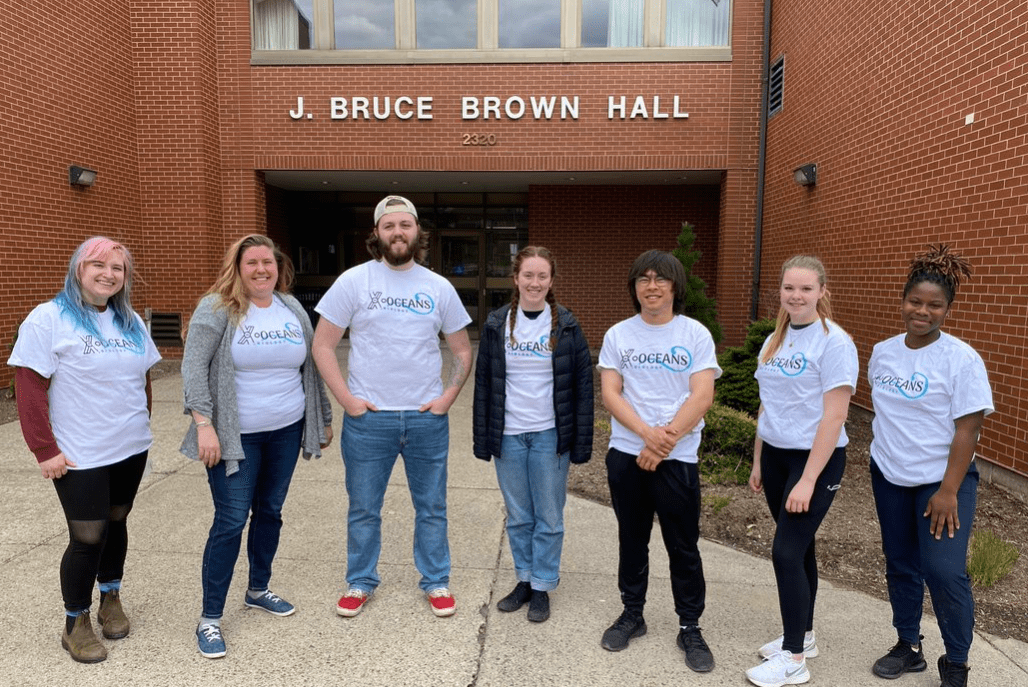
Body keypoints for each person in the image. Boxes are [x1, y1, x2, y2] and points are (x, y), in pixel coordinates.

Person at [312, 195, 473, 619]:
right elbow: (323, 345)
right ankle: (360, 580)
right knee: (364, 508)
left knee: (432, 507)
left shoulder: (438, 287)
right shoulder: (353, 281)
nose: (397, 232)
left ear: (417, 232)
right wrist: (348, 401)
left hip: (425, 420)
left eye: (405, 225)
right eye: (389, 225)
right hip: (370, 421)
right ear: (377, 233)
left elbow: (461, 351)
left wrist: (447, 399)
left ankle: (436, 581)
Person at [8, 237, 161, 663]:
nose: (109, 274)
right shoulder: (49, 318)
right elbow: (29, 387)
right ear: (79, 268)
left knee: (117, 519)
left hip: (130, 446)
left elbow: (142, 379)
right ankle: (75, 621)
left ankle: (111, 596)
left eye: (118, 268)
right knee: (87, 536)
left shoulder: (129, 319)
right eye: (99, 265)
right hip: (79, 452)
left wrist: (143, 423)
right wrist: (44, 449)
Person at [181, 234, 333, 659]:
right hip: (235, 435)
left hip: (286, 430)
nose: (261, 269)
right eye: (252, 263)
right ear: (238, 267)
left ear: (278, 266)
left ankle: (258, 588)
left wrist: (322, 417)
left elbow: (311, 367)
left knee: (270, 512)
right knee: (230, 520)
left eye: (268, 262)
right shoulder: (217, 308)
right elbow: (193, 369)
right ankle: (210, 618)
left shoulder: (291, 307)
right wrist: (204, 425)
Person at [867, 245, 992, 687]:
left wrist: (948, 490)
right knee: (900, 563)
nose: (923, 311)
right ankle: (909, 644)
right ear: (903, 302)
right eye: (915, 302)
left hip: (942, 482)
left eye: (934, 305)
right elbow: (886, 414)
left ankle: (956, 661)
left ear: (946, 310)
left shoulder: (961, 360)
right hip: (889, 475)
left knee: (944, 570)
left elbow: (967, 431)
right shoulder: (882, 353)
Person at [597, 249, 721, 673]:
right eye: (643, 278)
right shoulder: (619, 335)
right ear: (635, 287)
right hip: (627, 455)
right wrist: (647, 435)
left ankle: (690, 626)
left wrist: (663, 441)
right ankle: (633, 614)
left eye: (660, 278)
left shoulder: (694, 334)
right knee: (632, 540)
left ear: (675, 286)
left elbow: (702, 396)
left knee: (683, 546)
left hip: (678, 458)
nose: (651, 286)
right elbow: (611, 393)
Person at [745, 255, 858, 687]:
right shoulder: (774, 340)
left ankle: (793, 660)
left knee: (786, 552)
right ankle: (804, 636)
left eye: (806, 289)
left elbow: (834, 417)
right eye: (790, 288)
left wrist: (808, 479)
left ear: (822, 291)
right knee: (801, 547)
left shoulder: (834, 343)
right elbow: (767, 404)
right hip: (775, 456)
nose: (796, 296)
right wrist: (758, 459)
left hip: (815, 460)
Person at [472, 246, 593, 623]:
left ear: (551, 281)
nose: (535, 283)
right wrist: (483, 439)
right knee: (520, 517)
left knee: (550, 517)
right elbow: (484, 386)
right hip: (508, 436)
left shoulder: (567, 326)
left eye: (542, 276)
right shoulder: (496, 324)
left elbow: (583, 388)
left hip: (548, 436)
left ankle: (542, 585)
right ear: (516, 279)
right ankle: (523, 579)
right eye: (528, 275)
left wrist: (581, 443)